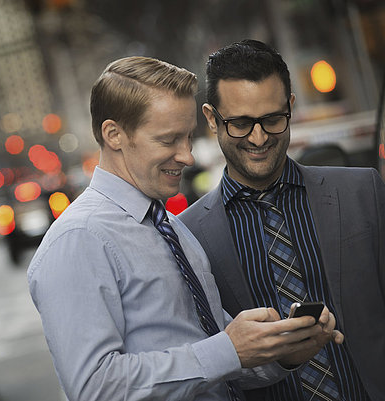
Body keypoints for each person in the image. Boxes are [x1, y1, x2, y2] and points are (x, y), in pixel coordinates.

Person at [28, 55, 342, 401]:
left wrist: (282, 352)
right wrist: (228, 350)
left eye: (187, 138)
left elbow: (217, 363)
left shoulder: (171, 229)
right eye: (168, 140)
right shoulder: (79, 239)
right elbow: (96, 388)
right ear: (113, 134)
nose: (187, 156)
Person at [179, 39, 385, 401]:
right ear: (211, 119)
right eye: (240, 123)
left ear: (290, 107)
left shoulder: (362, 191)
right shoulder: (189, 234)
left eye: (273, 119)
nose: (259, 138)